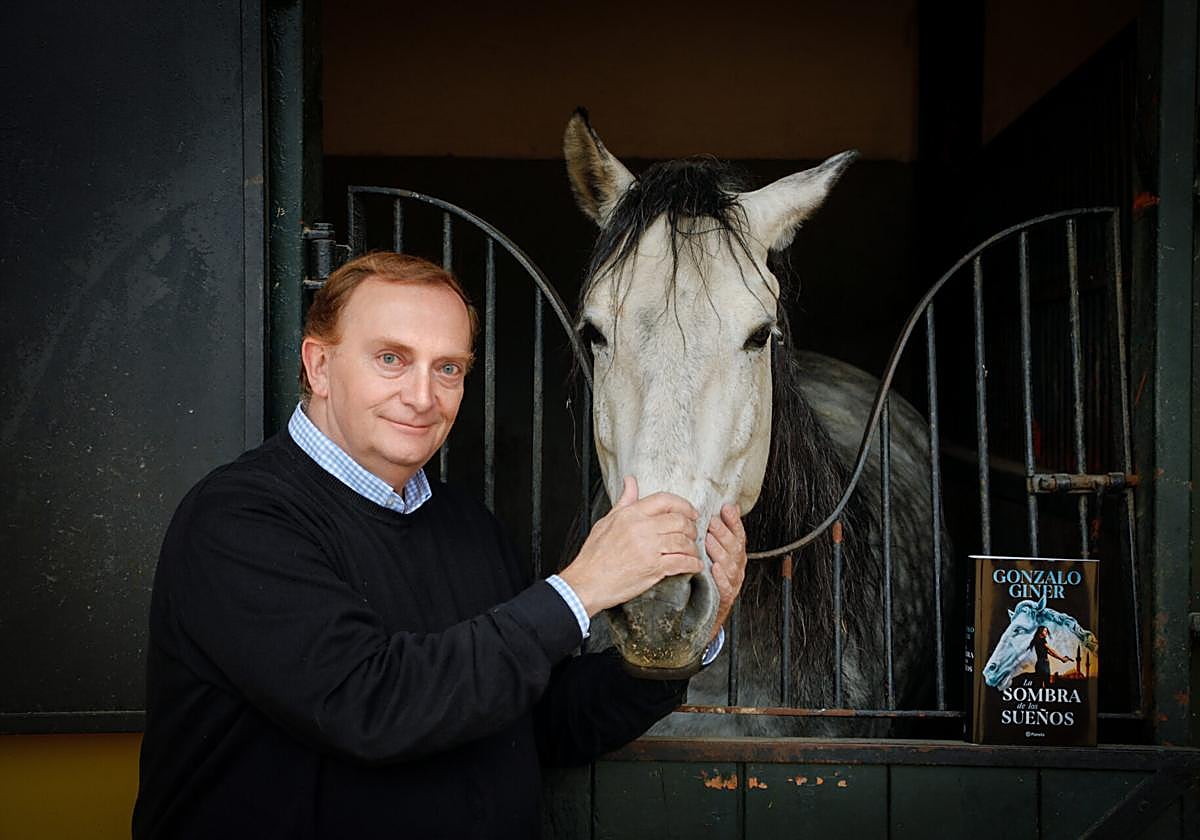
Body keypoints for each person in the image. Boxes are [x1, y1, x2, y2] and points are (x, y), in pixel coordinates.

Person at [132, 252, 747, 839]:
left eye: (447, 368)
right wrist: (581, 588)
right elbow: (370, 704)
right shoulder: (239, 520)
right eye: (392, 360)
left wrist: (685, 639)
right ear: (318, 367)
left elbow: (545, 723)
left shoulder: (466, 524)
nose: (423, 397)